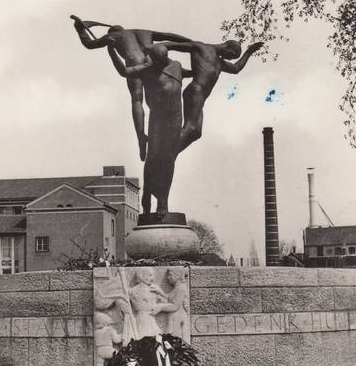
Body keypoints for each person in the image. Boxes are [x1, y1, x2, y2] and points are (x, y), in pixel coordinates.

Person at [70, 16, 191, 161]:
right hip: (152, 60)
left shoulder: (114, 35)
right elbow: (169, 36)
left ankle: (141, 138)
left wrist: (79, 29)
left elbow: (89, 44)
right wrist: (190, 42)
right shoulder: (144, 31)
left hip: (135, 61)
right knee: (154, 96)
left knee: (137, 99)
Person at [107, 40, 192, 218]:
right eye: (156, 61)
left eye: (162, 60)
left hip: (175, 119)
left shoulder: (176, 66)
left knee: (168, 159)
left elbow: (193, 73)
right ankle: (147, 192)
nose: (159, 64)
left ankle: (163, 200)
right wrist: (111, 50)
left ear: (167, 57)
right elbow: (124, 71)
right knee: (152, 158)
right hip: (157, 120)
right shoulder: (147, 68)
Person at [163, 39, 264, 153]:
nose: (230, 59)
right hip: (195, 91)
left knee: (196, 133)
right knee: (191, 127)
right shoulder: (201, 47)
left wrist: (249, 52)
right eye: (232, 55)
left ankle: (171, 154)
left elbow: (236, 68)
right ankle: (167, 154)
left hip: (200, 97)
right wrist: (153, 49)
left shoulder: (219, 62)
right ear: (229, 47)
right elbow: (174, 45)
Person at [128, 267, 178, 338]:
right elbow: (122, 298)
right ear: (142, 276)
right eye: (150, 275)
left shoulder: (154, 289)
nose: (153, 279)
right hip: (142, 319)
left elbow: (166, 301)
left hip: (152, 319)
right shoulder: (133, 291)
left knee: (157, 340)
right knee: (144, 339)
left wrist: (160, 293)